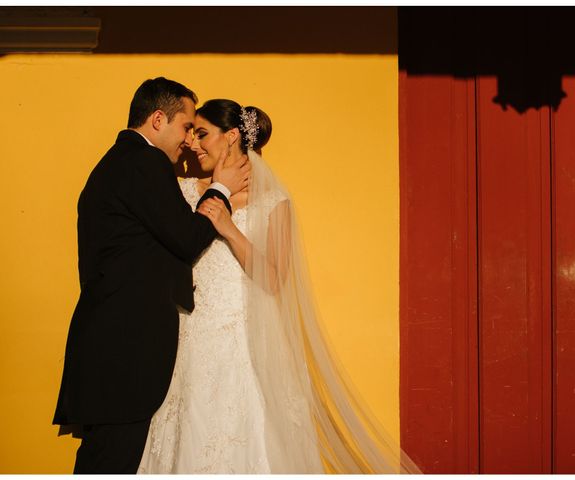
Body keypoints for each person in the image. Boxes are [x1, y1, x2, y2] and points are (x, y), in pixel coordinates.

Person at [137, 99, 421, 474]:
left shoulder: (273, 202)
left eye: (202, 133)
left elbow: (274, 279)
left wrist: (227, 227)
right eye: (191, 133)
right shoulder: (184, 191)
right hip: (187, 336)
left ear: (233, 136)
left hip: (241, 342)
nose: (192, 143)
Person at [52, 79, 250, 474]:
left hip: (110, 350)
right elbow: (186, 238)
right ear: (158, 119)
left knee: (104, 462)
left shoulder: (120, 163)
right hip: (123, 354)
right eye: (185, 127)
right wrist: (222, 190)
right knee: (110, 465)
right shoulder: (142, 163)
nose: (189, 141)